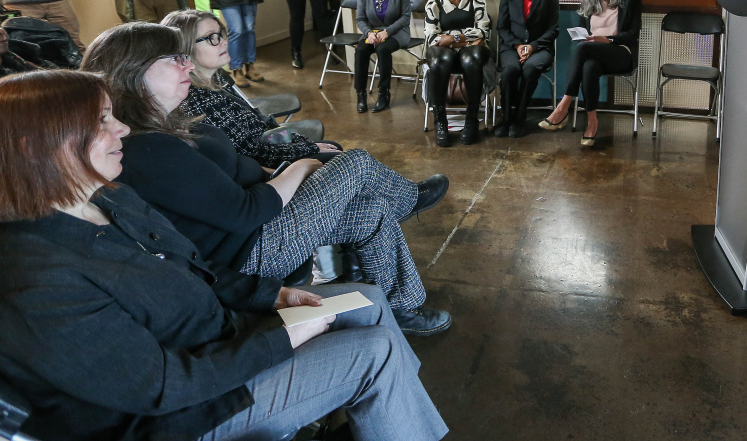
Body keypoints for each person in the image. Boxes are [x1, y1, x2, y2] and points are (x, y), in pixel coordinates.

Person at [0, 70, 448, 441]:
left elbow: (198, 267)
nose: (121, 129)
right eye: (100, 122)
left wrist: (273, 296)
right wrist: (280, 340)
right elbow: (160, 388)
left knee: (368, 299)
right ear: (33, 146)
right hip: (185, 413)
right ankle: (386, 402)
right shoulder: (36, 274)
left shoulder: (110, 199)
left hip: (220, 335)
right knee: (376, 351)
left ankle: (387, 409)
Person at [81, 22, 453, 335]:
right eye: (174, 59)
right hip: (253, 250)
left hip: (263, 222)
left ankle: (403, 308)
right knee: (354, 162)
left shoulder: (170, 121)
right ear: (134, 72)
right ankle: (409, 200)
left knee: (371, 209)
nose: (186, 67)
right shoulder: (147, 148)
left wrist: (276, 171)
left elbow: (228, 172)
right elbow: (242, 213)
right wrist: (300, 167)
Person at [162, 9, 345, 164]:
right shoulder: (200, 101)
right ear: (185, 48)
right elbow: (252, 155)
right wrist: (308, 148)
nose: (224, 41)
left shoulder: (217, 80)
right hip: (267, 169)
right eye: (212, 38)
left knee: (332, 148)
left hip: (267, 144)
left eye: (221, 33)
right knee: (337, 154)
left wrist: (300, 142)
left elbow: (260, 130)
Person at [540, 0, 642, 147]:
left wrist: (608, 39)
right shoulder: (587, 0)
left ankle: (563, 106)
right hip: (593, 53)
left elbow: (633, 34)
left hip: (621, 52)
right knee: (589, 66)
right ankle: (592, 122)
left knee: (584, 48)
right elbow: (583, 34)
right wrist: (585, 37)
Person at [424, 0, 491, 147]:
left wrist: (451, 39)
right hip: (447, 54)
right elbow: (432, 38)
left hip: (470, 54)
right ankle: (440, 121)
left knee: (472, 58)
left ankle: (471, 120)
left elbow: (483, 30)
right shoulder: (434, 3)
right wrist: (465, 39)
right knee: (439, 60)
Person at [495, 0, 559, 138]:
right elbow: (502, 27)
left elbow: (553, 29)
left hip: (540, 48)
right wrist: (517, 46)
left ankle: (519, 116)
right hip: (512, 47)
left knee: (530, 69)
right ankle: (506, 117)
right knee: (510, 71)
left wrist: (532, 47)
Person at [354, 0, 412, 113]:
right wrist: (368, 34)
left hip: (397, 32)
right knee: (361, 51)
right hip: (372, 33)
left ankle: (383, 93)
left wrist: (387, 32)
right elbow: (360, 19)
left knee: (383, 49)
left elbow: (405, 17)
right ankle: (361, 95)